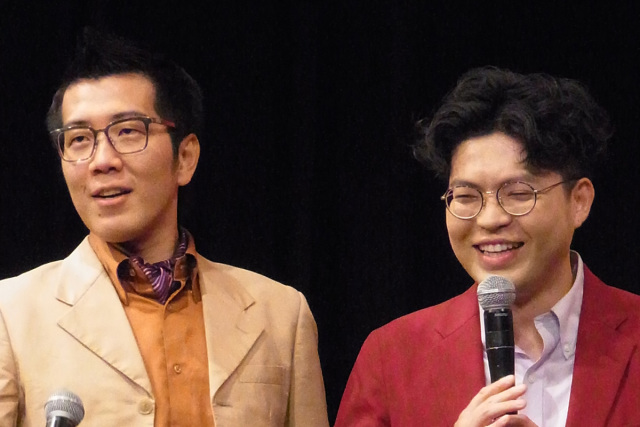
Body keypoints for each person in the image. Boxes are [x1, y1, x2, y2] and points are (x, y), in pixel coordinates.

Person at [0, 28, 329, 426]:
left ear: (185, 157)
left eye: (127, 131)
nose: (101, 161)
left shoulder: (280, 314)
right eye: (79, 139)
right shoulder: (12, 315)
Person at [335, 66, 640, 426]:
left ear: (579, 201)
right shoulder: (392, 356)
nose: (490, 219)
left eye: (518, 193)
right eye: (466, 196)